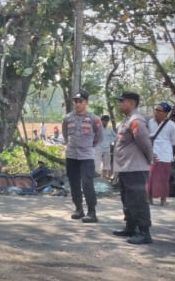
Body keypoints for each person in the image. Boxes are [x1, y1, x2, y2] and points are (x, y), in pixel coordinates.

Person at [112, 91, 153, 244]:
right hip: (125, 168)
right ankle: (130, 227)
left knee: (138, 201)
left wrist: (149, 160)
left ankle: (144, 232)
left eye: (122, 101)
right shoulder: (126, 120)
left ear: (132, 102)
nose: (119, 104)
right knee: (127, 200)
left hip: (135, 168)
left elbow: (144, 142)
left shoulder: (136, 120)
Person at [62, 90, 104, 222]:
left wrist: (90, 146)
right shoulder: (67, 118)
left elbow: (99, 137)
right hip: (71, 155)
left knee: (87, 184)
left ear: (86, 103)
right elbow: (65, 134)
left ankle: (92, 212)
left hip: (86, 156)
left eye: (80, 101)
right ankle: (78, 209)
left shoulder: (94, 119)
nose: (77, 104)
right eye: (76, 101)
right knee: (74, 183)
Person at [147, 102, 175, 206]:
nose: (156, 112)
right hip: (152, 153)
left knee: (164, 178)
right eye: (156, 110)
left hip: (165, 154)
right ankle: (149, 198)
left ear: (166, 113)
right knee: (150, 177)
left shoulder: (172, 125)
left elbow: (173, 141)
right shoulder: (151, 122)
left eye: (159, 111)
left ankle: (163, 200)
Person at [94, 115, 116, 179]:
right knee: (97, 163)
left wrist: (110, 141)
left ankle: (104, 177)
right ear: (101, 121)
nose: (105, 122)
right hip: (98, 148)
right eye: (104, 121)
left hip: (107, 148)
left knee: (106, 163)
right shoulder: (97, 129)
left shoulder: (110, 130)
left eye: (106, 121)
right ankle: (96, 177)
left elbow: (116, 137)